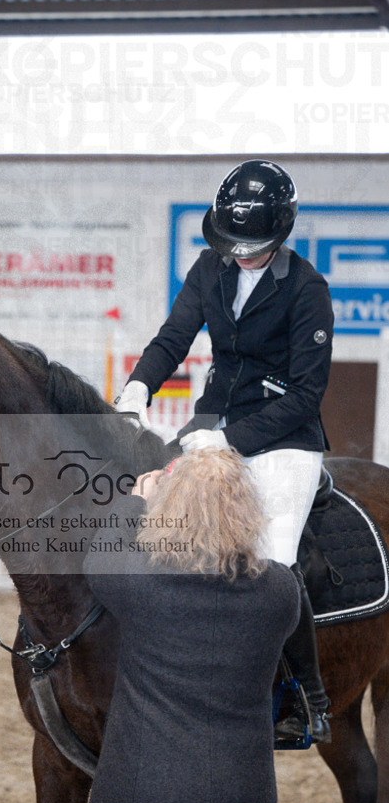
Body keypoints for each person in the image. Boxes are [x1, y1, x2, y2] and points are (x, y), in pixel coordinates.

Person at [65, 449, 301, 803]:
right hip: (240, 801)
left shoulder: (138, 585)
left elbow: (103, 552)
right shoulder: (281, 593)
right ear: (247, 511)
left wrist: (134, 501)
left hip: (142, 797)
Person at [116, 159, 333, 743]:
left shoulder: (308, 289)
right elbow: (172, 339)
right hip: (213, 418)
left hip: (284, 436)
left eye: (253, 244)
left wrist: (229, 440)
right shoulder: (209, 270)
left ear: (281, 232)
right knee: (154, 523)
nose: (240, 253)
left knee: (276, 563)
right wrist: (137, 390)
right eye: (231, 241)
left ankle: (306, 698)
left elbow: (309, 393)